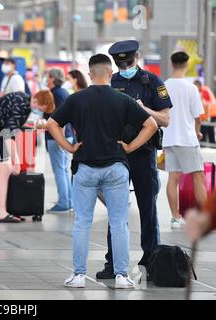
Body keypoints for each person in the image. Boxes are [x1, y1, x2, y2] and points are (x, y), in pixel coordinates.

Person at [46, 53, 158, 289]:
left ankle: (78, 275)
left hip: (85, 167)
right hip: (116, 167)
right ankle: (120, 276)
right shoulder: (122, 99)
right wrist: (130, 147)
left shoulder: (76, 99)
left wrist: (69, 147)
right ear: (110, 74)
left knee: (82, 223)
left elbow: (51, 124)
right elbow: (151, 125)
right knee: (119, 223)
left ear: (89, 74)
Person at [96, 40, 173, 280]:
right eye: (121, 64)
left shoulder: (152, 83)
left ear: (137, 58)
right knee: (116, 212)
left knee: (148, 209)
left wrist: (143, 109)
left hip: (143, 154)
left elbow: (165, 119)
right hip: (118, 154)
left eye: (128, 62)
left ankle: (151, 262)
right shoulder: (112, 82)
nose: (125, 67)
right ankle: (113, 262)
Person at [164, 52, 206, 229]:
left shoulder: (163, 86)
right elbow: (198, 116)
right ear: (187, 64)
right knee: (199, 177)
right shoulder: (191, 88)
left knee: (173, 178)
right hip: (187, 139)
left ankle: (175, 217)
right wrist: (197, 132)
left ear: (172, 64)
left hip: (169, 139)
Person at [0, 91, 32, 223]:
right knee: (4, 170)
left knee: (5, 170)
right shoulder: (21, 106)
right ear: (37, 102)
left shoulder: (24, 100)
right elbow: (9, 134)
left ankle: (5, 210)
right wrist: (17, 161)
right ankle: (1, 212)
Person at [39, 68, 73, 213]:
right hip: (64, 135)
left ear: (53, 78)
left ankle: (63, 203)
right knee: (64, 170)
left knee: (59, 170)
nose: (46, 79)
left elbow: (62, 119)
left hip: (57, 136)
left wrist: (61, 139)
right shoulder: (63, 92)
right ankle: (68, 201)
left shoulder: (56, 94)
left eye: (48, 76)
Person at [194, 79, 216, 144]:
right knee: (210, 131)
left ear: (199, 85)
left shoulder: (204, 90)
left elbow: (208, 104)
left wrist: (207, 117)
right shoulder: (202, 90)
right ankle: (210, 144)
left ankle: (205, 145)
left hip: (211, 113)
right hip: (210, 113)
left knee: (206, 130)